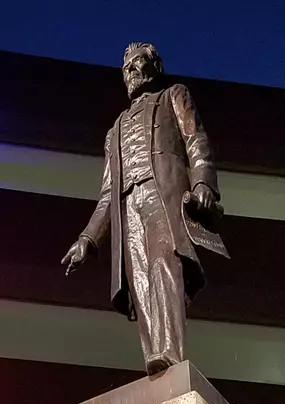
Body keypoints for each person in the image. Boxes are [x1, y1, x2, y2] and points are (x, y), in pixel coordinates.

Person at [62, 42, 229, 376]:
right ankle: (155, 356)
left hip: (163, 196)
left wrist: (202, 183)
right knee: (139, 281)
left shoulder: (173, 96)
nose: (131, 72)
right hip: (128, 205)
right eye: (126, 68)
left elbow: (196, 141)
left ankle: (171, 353)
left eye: (137, 63)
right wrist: (87, 239)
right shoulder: (115, 130)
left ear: (155, 66)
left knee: (165, 266)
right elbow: (107, 194)